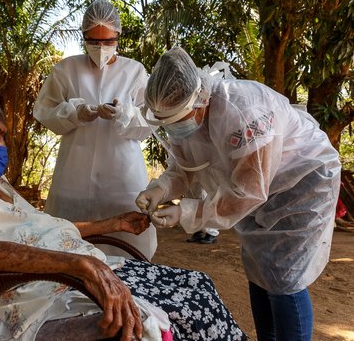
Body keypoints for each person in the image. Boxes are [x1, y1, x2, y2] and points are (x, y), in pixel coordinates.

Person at [0, 89, 247, 341]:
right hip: (42, 288)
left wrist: (113, 224)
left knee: (197, 285)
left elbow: (42, 227)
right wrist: (80, 265)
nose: (4, 143)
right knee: (169, 314)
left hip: (81, 266)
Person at [136, 47, 341, 341]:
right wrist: (160, 188)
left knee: (284, 277)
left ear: (200, 97)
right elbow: (186, 166)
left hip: (303, 182)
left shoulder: (244, 111)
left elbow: (248, 191)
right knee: (260, 269)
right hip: (257, 187)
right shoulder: (183, 112)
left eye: (178, 119)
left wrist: (188, 212)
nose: (175, 128)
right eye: (166, 122)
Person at [33, 0, 157, 259]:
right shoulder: (67, 70)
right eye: (94, 41)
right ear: (84, 37)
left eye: (108, 41)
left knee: (127, 250)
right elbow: (44, 111)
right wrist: (76, 113)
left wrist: (124, 114)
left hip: (122, 178)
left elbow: (149, 122)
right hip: (74, 177)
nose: (101, 48)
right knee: (70, 248)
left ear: (118, 37)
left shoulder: (134, 71)